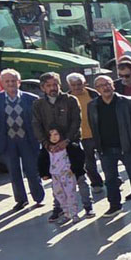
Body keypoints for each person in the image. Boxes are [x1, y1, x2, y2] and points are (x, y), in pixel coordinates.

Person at [31, 72, 92, 221]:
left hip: (71, 145)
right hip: (50, 149)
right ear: (43, 87)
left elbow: (76, 122)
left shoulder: (71, 100)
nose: (53, 88)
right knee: (56, 180)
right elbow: (36, 125)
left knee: (80, 177)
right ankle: (59, 209)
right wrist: (46, 144)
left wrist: (66, 141)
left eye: (55, 84)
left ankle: (88, 207)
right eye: (49, 85)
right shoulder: (38, 105)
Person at [87, 75, 131, 215]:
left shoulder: (127, 102)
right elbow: (93, 126)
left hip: (128, 147)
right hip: (106, 149)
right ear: (97, 89)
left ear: (113, 85)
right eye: (101, 85)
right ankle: (115, 205)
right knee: (110, 180)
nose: (105, 87)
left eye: (108, 84)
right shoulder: (92, 105)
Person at [0, 70, 45, 211]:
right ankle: (20, 200)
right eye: (7, 81)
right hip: (8, 140)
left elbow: (37, 120)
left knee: (32, 170)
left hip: (28, 140)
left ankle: (38, 197)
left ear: (19, 82)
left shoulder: (31, 99)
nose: (11, 84)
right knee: (14, 172)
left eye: (13, 81)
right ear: (2, 83)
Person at [65, 74, 104, 190]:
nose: (77, 87)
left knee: (107, 160)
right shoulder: (66, 99)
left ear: (85, 83)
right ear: (69, 85)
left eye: (79, 84)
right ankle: (96, 184)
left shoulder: (93, 94)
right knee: (89, 163)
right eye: (74, 85)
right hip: (81, 137)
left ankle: (114, 179)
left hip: (98, 134)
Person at [41, 128, 82, 225]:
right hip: (55, 176)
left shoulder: (67, 147)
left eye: (56, 134)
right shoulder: (48, 149)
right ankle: (66, 214)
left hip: (67, 174)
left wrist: (74, 168)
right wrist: (44, 173)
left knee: (70, 194)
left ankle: (74, 214)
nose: (53, 137)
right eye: (51, 135)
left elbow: (79, 156)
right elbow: (42, 161)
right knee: (59, 195)